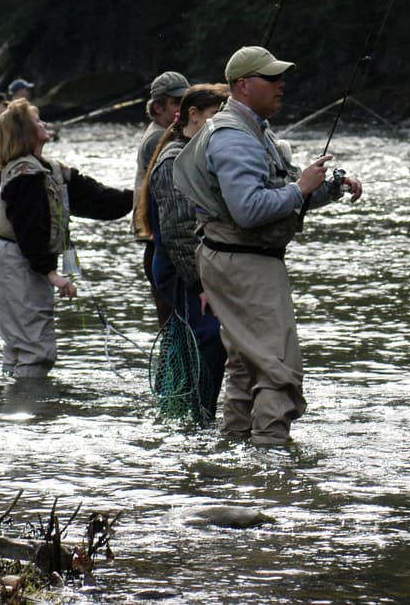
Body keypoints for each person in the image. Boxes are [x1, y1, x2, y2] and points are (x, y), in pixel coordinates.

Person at [173, 46, 363, 447]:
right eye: (271, 78)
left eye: (281, 77)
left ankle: (234, 451)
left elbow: (276, 194)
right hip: (246, 263)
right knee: (279, 367)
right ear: (243, 85)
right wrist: (300, 188)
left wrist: (327, 189)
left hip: (234, 259)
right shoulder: (234, 139)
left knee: (245, 364)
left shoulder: (252, 130)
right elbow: (249, 210)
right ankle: (272, 462)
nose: (281, 85)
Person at [0, 98, 132, 378]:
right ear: (25, 132)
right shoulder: (25, 176)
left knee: (20, 345)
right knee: (35, 350)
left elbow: (98, 200)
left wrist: (138, 196)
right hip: (15, 259)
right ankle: (35, 414)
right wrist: (53, 275)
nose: (44, 124)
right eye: (37, 121)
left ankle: (13, 408)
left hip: (21, 257)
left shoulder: (51, 170)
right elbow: (30, 232)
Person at [135, 83, 230, 419]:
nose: (221, 126)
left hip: (194, 268)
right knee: (209, 337)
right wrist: (202, 285)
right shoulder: (174, 159)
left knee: (197, 339)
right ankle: (199, 413)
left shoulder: (197, 153)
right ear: (193, 115)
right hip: (178, 269)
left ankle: (189, 408)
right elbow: (177, 234)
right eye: (215, 117)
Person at [133, 71, 190, 324]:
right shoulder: (159, 137)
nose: (186, 109)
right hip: (162, 245)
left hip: (163, 242)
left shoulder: (164, 132)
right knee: (175, 324)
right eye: (178, 103)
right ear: (158, 107)